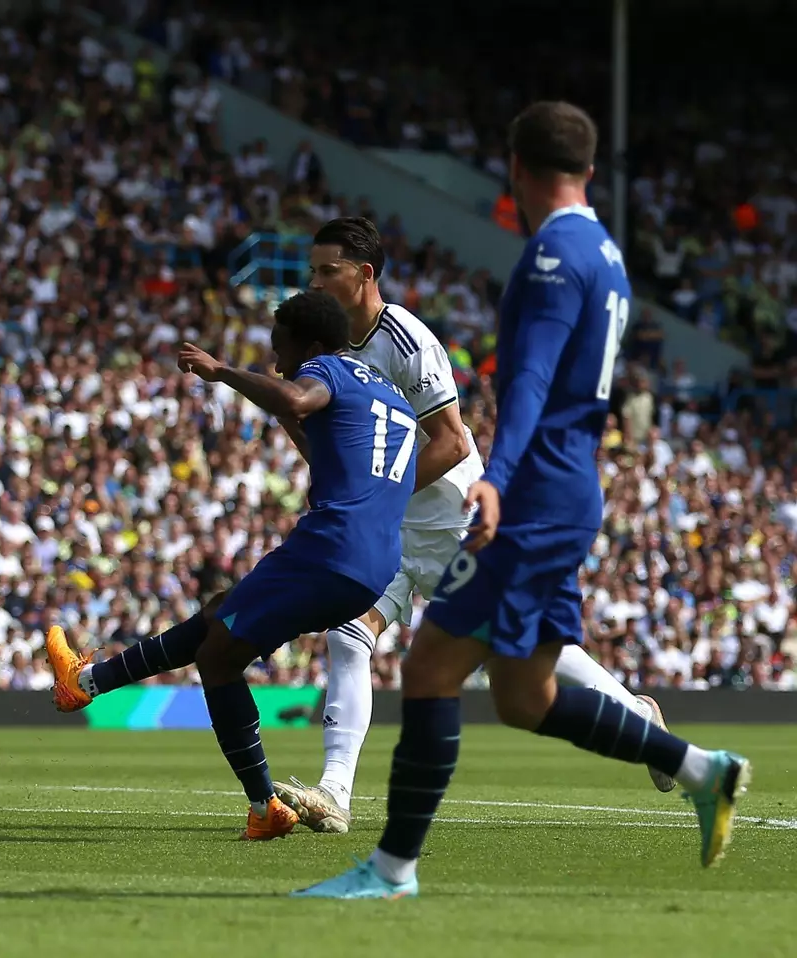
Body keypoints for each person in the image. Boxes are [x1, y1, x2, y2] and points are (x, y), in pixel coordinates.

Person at [294, 102, 750, 900]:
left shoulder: (550, 255)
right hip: (563, 485)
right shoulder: (605, 251)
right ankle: (697, 766)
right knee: (521, 689)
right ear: (590, 170)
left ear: (514, 171)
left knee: (436, 665)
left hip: (526, 491)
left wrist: (498, 476)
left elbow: (528, 380)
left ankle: (391, 869)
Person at [272, 217, 674, 836]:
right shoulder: (326, 354)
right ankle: (335, 792)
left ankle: (637, 717)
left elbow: (454, 442)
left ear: (365, 275)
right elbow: (338, 455)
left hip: (452, 525)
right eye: (314, 272)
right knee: (348, 636)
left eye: (330, 271)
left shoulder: (407, 342)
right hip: (387, 535)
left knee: (524, 657)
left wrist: (379, 491)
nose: (318, 282)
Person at [45, 289, 416, 840]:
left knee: (217, 661)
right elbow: (331, 451)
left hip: (330, 547)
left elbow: (299, 399)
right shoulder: (390, 396)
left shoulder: (327, 371)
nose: (277, 362)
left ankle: (265, 808)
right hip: (375, 565)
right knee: (222, 614)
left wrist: (223, 373)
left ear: (310, 344)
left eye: (280, 348)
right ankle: (87, 682)